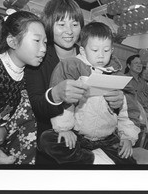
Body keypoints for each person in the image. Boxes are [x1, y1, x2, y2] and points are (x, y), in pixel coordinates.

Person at [25, 0, 126, 165]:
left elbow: (108, 104)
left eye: (74, 24)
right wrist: (56, 95)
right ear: (50, 24)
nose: (69, 31)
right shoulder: (39, 58)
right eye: (61, 24)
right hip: (57, 143)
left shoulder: (96, 57)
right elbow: (35, 105)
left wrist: (118, 102)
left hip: (100, 139)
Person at [40, 21, 140, 164]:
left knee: (129, 163)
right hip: (78, 135)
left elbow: (129, 111)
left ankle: (91, 158)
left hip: (107, 138)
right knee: (47, 140)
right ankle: (92, 159)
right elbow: (64, 102)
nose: (100, 55)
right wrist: (64, 128)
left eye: (106, 51)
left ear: (112, 50)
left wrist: (127, 137)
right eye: (94, 50)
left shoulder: (118, 76)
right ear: (82, 50)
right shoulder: (71, 67)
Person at [0, 10, 47, 164]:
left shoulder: (28, 75)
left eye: (45, 42)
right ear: (12, 41)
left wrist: (4, 129)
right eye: (36, 41)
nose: (44, 48)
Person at [124, 54, 148, 149]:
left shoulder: (144, 83)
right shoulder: (124, 80)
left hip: (147, 113)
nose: (139, 65)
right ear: (128, 65)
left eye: (140, 63)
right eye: (136, 63)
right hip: (134, 113)